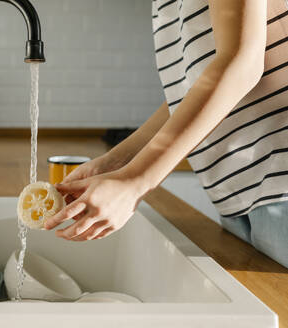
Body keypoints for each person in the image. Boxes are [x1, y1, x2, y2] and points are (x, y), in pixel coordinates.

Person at [45, 0, 288, 269]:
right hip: (241, 195)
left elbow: (242, 62)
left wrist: (134, 181)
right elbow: (189, 92)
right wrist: (118, 162)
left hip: (279, 185)